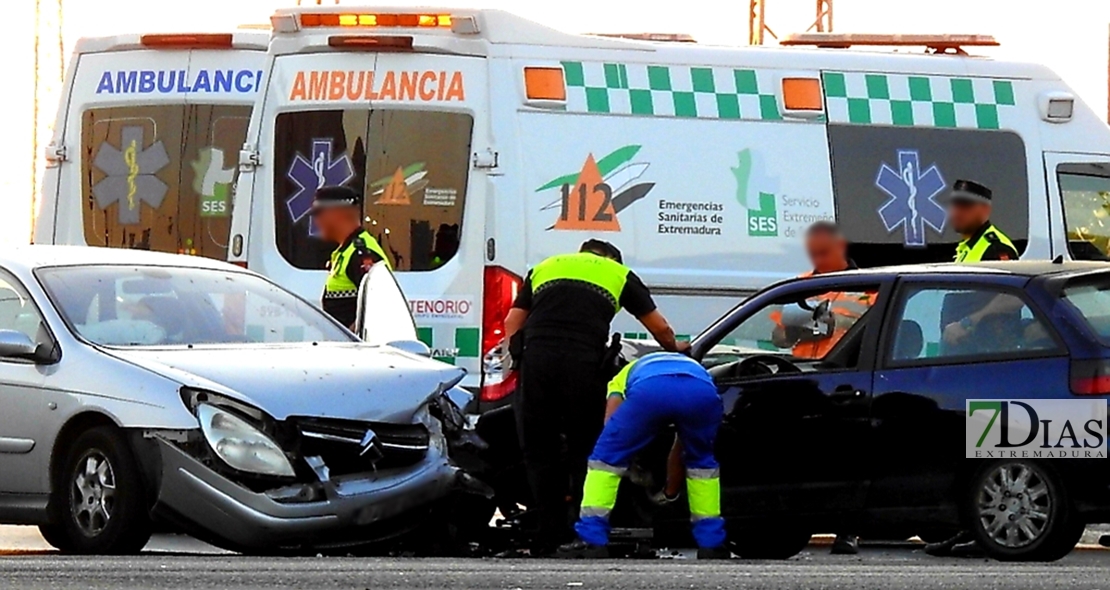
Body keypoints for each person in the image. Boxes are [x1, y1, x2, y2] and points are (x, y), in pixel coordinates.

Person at [504, 240, 682, 554]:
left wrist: (518, 359)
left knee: (539, 449)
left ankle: (548, 535)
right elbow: (661, 328)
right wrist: (677, 353)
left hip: (537, 362)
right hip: (582, 365)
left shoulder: (546, 266)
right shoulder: (619, 273)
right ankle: (583, 531)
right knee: (584, 447)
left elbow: (512, 322)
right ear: (612, 258)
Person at [557, 352, 730, 559]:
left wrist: (626, 457)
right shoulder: (695, 369)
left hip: (651, 391)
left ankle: (591, 540)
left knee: (604, 460)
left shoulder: (622, 376)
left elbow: (611, 426)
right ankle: (711, 545)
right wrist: (669, 490)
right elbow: (682, 448)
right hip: (701, 393)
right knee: (702, 466)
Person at [926, 179, 1019, 558]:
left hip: (987, 362)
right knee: (966, 448)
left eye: (964, 206)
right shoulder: (965, 248)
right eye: (953, 205)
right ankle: (967, 526)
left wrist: (969, 324)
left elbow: (1010, 300)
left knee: (984, 449)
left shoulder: (997, 247)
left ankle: (980, 530)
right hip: (965, 366)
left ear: (984, 210)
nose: (955, 213)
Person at [770, 221, 868, 555]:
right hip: (801, 379)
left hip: (841, 380)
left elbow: (870, 334)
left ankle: (848, 530)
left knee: (843, 459)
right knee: (801, 459)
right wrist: (794, 330)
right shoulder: (801, 285)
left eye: (824, 249)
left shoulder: (866, 287)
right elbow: (778, 336)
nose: (818, 256)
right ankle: (799, 522)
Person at [311, 186, 391, 329]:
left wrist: (349, 338)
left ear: (338, 213)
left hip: (355, 350)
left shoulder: (361, 252)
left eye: (318, 213)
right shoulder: (346, 251)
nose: (315, 221)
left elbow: (381, 309)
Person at [946, 179, 1019, 264]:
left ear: (986, 209)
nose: (957, 212)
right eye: (955, 205)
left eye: (965, 206)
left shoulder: (996, 249)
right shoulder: (966, 246)